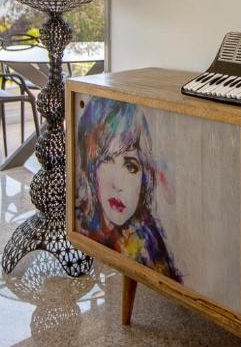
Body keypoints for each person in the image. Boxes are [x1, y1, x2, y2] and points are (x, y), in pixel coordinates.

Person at [75, 97, 182, 282]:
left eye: (130, 166)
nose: (118, 184)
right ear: (89, 166)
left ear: (144, 178)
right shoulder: (79, 220)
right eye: (106, 159)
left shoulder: (150, 246)